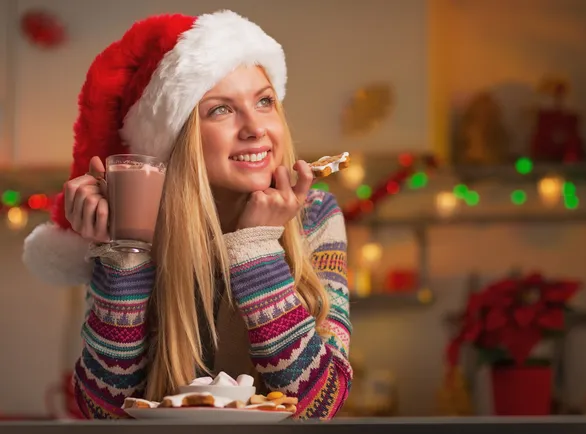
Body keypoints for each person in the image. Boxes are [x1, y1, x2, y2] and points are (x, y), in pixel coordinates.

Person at [22, 10, 352, 420]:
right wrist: (125, 254)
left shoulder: (315, 215)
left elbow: (322, 403)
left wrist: (256, 250)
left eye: (264, 101)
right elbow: (102, 411)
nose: (256, 128)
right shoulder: (134, 226)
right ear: (178, 137)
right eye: (221, 110)